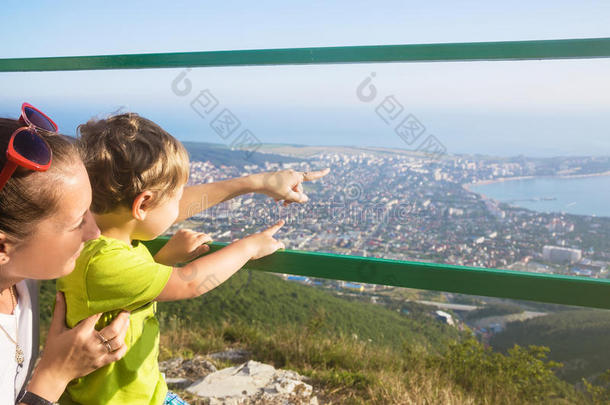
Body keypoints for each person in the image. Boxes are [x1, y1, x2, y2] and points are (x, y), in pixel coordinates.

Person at [57, 112, 330, 404]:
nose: (179, 206)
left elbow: (125, 285)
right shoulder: (102, 261)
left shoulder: (101, 237)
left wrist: (258, 182)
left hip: (146, 393)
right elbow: (189, 284)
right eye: (176, 198)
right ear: (143, 204)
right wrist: (249, 247)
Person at [0, 104, 131, 405]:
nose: (95, 231)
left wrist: (245, 184)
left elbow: (138, 210)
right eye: (78, 222)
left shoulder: (17, 277)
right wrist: (56, 373)